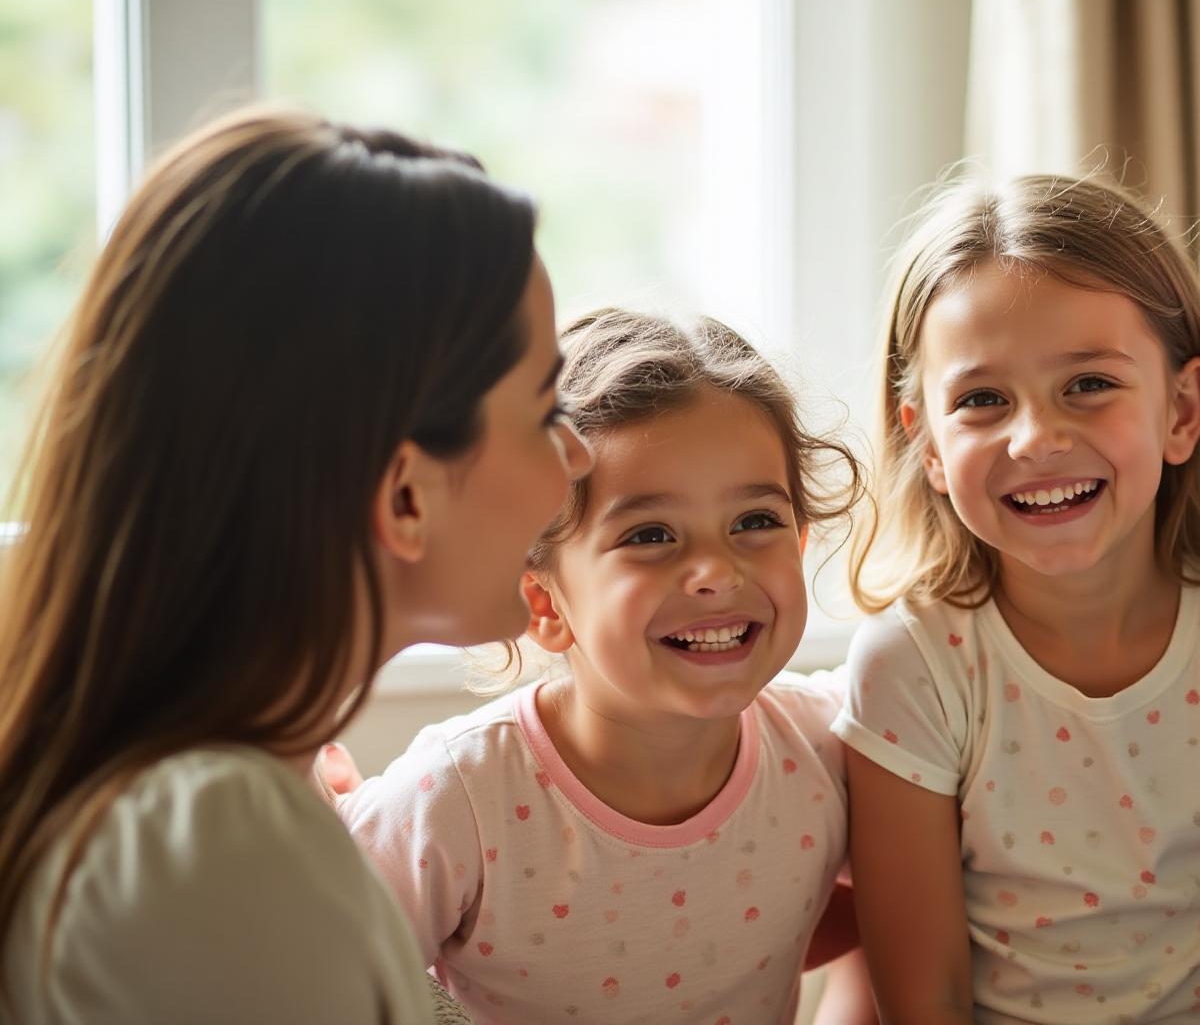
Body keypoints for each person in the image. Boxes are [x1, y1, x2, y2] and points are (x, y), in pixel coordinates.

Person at [0, 107, 593, 1022]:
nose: (581, 458)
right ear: (405, 496)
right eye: (547, 410)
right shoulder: (214, 850)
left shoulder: (259, 793)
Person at [836, 175, 1200, 1023]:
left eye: (1088, 385)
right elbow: (926, 999)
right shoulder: (911, 666)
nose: (1036, 438)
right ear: (924, 444)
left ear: (1182, 410)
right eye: (982, 401)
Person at [330, 308, 874, 1024]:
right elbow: (307, 980)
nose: (716, 571)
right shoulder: (456, 798)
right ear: (543, 603)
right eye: (651, 535)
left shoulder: (830, 744)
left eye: (755, 522)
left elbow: (896, 911)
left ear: (800, 547)